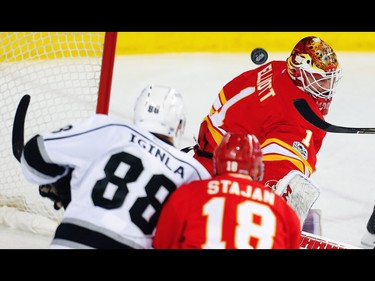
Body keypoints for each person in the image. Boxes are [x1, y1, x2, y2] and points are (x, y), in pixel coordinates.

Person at [19, 84, 211, 249]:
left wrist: (62, 181)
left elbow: (34, 155)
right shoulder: (193, 171)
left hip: (69, 240)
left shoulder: (112, 129)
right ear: (179, 126)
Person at [191, 36, 342, 228]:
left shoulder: (277, 68)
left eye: (329, 80)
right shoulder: (299, 120)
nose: (327, 89)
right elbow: (278, 179)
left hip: (207, 150)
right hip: (217, 180)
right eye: (319, 80)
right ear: (299, 73)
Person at [153, 132, 301, 249]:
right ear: (257, 169)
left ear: (217, 163)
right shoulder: (284, 211)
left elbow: (161, 242)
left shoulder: (190, 192)